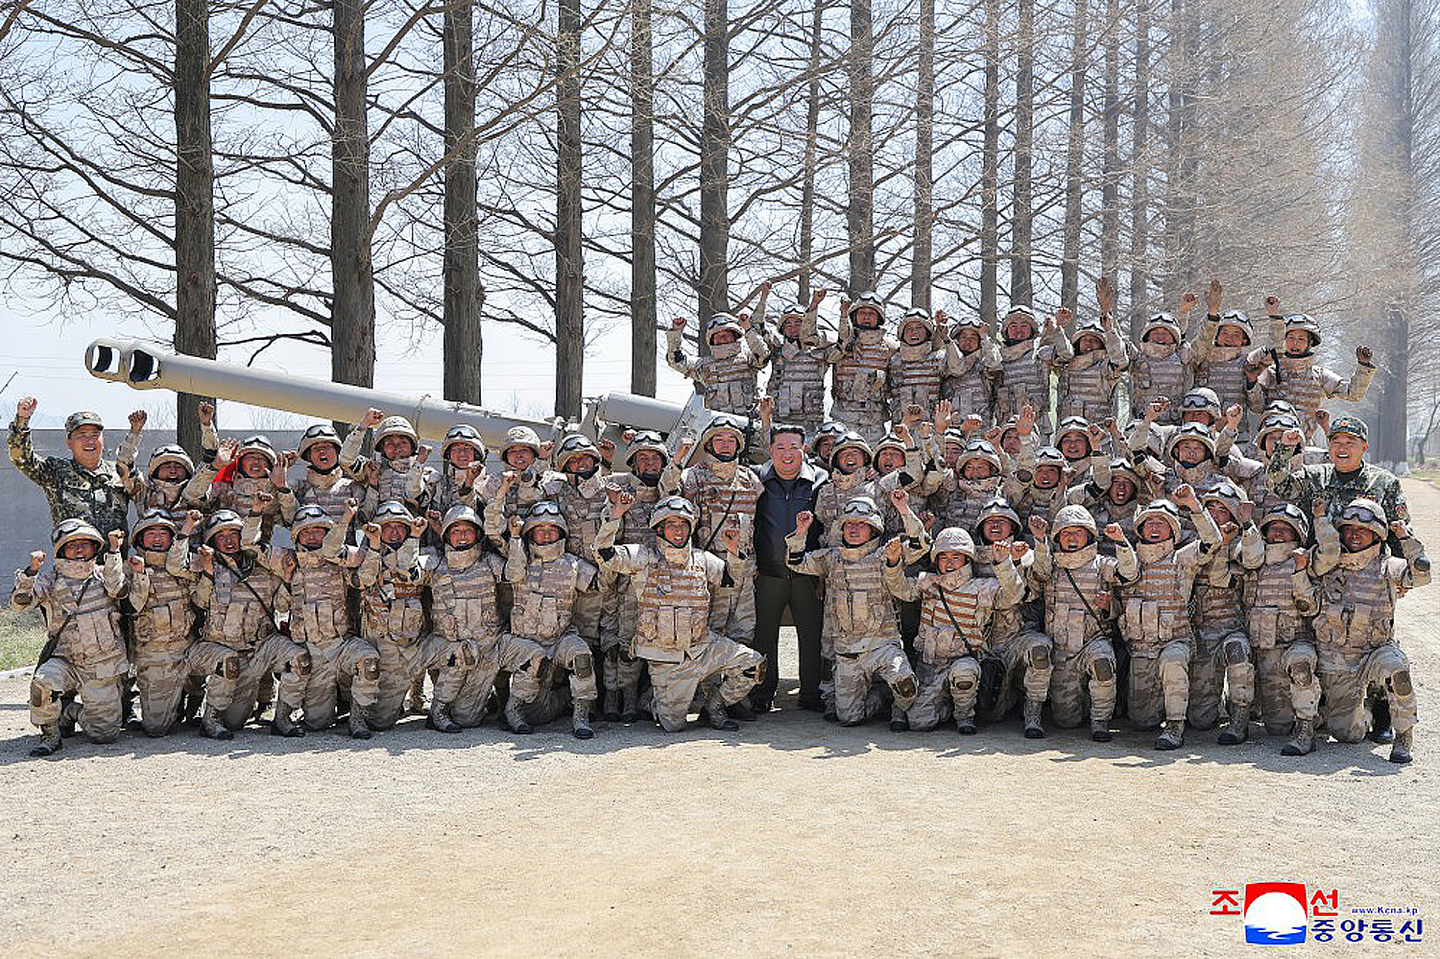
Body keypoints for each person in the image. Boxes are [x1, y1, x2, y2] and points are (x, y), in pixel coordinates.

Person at [596, 494, 762, 733]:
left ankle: (713, 708)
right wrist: (616, 516)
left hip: (702, 649)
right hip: (667, 659)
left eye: (683, 524)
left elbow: (731, 580)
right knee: (673, 726)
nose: (678, 530)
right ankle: (651, 700)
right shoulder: (644, 558)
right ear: (659, 529)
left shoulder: (702, 560)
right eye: (671, 524)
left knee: (753, 664)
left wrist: (734, 553)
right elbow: (604, 553)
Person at [1295, 497, 1428, 763]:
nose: (1354, 535)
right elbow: (1307, 607)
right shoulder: (1327, 566)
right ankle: (1365, 709)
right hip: (1335, 660)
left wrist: (1405, 537)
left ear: (1376, 535)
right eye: (1349, 529)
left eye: (1363, 530)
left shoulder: (1389, 567)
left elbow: (1421, 576)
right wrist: (1300, 573)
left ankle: (1403, 737)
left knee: (1397, 670)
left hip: (1375, 652)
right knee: (1347, 734)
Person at [169, 506, 310, 738]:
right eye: (221, 536)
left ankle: (283, 718)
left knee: (299, 658)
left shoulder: (263, 567)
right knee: (231, 718)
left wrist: (285, 578)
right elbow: (179, 571)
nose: (228, 541)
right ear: (212, 541)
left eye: (233, 534)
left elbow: (282, 606)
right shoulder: (206, 563)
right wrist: (189, 537)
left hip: (259, 649)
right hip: (219, 648)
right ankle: (211, 719)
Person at [786, 496, 920, 728]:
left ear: (874, 529)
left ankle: (900, 707)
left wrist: (904, 510)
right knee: (849, 718)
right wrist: (800, 532)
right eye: (849, 524)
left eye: (861, 524)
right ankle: (882, 698)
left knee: (904, 682)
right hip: (848, 653)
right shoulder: (832, 558)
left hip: (883, 647)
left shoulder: (885, 555)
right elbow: (796, 562)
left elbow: (920, 545)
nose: (854, 529)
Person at [883, 527, 1030, 735]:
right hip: (929, 665)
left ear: (967, 560)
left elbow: (1014, 595)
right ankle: (945, 708)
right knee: (920, 723)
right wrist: (892, 562)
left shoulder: (982, 588)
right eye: (943, 557)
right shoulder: (928, 583)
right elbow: (900, 589)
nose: (949, 563)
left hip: (964, 659)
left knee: (965, 673)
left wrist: (1003, 563)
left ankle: (964, 716)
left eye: (956, 557)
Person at [14, 520, 142, 756]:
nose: (80, 549)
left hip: (101, 666)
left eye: (85, 544)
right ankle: (50, 735)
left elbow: (118, 590)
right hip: (66, 661)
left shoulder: (106, 574)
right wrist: (31, 571)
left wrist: (115, 551)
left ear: (96, 548)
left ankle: (69, 711)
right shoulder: (50, 580)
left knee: (104, 735)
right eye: (73, 545)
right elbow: (21, 603)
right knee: (43, 682)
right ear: (62, 550)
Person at [1116, 490, 1220, 750]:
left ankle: (1175, 726)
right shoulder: (1130, 560)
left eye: (1161, 523)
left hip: (1176, 640)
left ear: (1173, 532)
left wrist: (1194, 506)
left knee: (1172, 662)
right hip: (1141, 647)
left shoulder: (1182, 559)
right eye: (1149, 523)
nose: (1154, 528)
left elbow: (1212, 541)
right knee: (1142, 720)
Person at [428, 504, 547, 731]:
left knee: (535, 655)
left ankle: (513, 710)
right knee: (467, 720)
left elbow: (515, 573)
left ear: (478, 535)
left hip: (495, 645)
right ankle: (439, 710)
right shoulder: (436, 564)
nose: (462, 536)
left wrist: (514, 538)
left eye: (468, 531)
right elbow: (406, 569)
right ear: (445, 536)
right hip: (462, 653)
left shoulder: (488, 561)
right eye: (455, 531)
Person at [1027, 505, 1136, 741]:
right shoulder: (1053, 567)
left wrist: (1121, 543)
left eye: (1078, 532)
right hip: (1061, 648)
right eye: (1066, 533)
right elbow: (1039, 572)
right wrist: (1039, 540)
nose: (1072, 538)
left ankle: (1100, 722)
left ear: (1089, 536)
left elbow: (1129, 574)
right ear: (1057, 537)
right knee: (1067, 720)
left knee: (1103, 666)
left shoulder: (1102, 565)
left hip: (1093, 641)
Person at [499, 502, 600, 738]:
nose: (546, 535)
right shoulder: (520, 560)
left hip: (560, 638)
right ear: (530, 534)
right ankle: (513, 710)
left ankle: (581, 715)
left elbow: (602, 585)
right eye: (540, 529)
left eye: (552, 529)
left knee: (582, 657)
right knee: (537, 707)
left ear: (562, 533)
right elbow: (512, 573)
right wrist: (514, 538)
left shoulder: (573, 565)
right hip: (523, 642)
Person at [282, 502, 382, 739]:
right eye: (306, 531)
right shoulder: (288, 561)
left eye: (319, 530)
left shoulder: (340, 559)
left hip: (340, 645)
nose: (313, 535)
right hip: (311, 650)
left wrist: (375, 547)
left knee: (369, 659)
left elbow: (364, 580)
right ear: (297, 535)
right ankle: (283, 716)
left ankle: (357, 720)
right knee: (318, 723)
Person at [1239, 501, 1326, 755]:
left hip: (1295, 644)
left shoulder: (1306, 563)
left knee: (1301, 664)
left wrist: (1300, 571)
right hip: (1265, 649)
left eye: (1285, 529)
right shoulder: (1253, 562)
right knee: (1276, 727)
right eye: (1273, 528)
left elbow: (1309, 608)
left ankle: (1306, 730)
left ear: (1297, 534)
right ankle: (1240, 718)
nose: (1277, 533)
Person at [752, 423, 827, 712]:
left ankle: (810, 693)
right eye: (780, 447)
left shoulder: (820, 481)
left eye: (793, 447)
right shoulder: (757, 479)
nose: (787, 454)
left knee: (811, 634)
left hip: (807, 573)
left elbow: (826, 528)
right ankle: (762, 693)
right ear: (770, 450)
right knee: (764, 635)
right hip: (767, 573)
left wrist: (822, 572)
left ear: (804, 449)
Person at [9, 398, 138, 542]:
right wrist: (22, 420)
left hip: (115, 560)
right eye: (82, 435)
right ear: (69, 442)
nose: (90, 441)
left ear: (103, 439)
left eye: (95, 435)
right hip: (72, 562)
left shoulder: (119, 471)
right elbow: (22, 458)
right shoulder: (56, 471)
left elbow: (146, 498)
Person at [1192, 482, 1259, 743]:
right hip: (1202, 631)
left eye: (1223, 509)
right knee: (1200, 720)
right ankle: (1217, 703)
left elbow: (1253, 560)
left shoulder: (1244, 545)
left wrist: (1245, 525)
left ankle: (1239, 718)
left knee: (1238, 652)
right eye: (1211, 508)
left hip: (1233, 629)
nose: (1217, 514)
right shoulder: (1194, 544)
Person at [1249, 308, 1375, 442]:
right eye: (1291, 338)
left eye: (1301, 339)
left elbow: (1353, 394)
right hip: (1271, 444)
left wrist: (1363, 366)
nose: (1295, 343)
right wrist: (1252, 382)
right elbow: (1256, 406)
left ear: (1310, 344)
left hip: (1304, 444)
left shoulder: (1320, 376)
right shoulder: (1271, 372)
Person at [126, 510, 200, 737]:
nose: (157, 539)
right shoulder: (127, 569)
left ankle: (199, 702)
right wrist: (139, 574)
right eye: (151, 533)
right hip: (154, 654)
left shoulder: (188, 565)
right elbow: (131, 606)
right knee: (156, 729)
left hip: (190, 649)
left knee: (226, 662)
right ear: (139, 539)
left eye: (163, 533)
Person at [668, 310, 771, 417]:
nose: (723, 338)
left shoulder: (748, 358)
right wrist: (676, 333)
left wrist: (748, 329)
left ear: (735, 335)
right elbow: (677, 361)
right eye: (718, 335)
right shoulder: (704, 366)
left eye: (727, 334)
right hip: (719, 428)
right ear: (712, 339)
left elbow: (763, 356)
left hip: (749, 424)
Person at [825, 292, 895, 444]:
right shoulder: (840, 343)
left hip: (874, 421)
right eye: (862, 313)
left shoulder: (890, 348)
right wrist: (842, 315)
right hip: (843, 417)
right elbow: (810, 339)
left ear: (879, 318)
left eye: (871, 313)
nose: (866, 317)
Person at [761, 286, 831, 437]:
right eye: (789, 325)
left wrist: (814, 304)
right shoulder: (777, 350)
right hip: (780, 421)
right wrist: (763, 298)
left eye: (798, 324)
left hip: (811, 425)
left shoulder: (820, 352)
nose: (793, 329)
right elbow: (757, 329)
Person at [1128, 294, 1201, 425]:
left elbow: (1202, 341)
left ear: (1174, 338)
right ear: (1147, 336)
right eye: (1156, 332)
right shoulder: (1137, 358)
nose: (1160, 337)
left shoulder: (1182, 358)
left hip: (1176, 427)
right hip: (1142, 426)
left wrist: (1184, 312)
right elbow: (1117, 351)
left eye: (1165, 333)